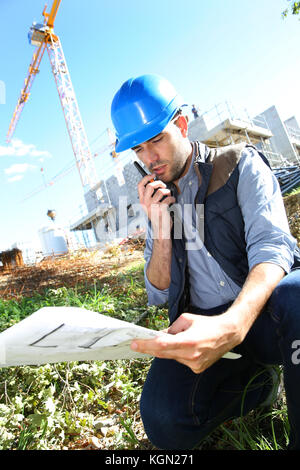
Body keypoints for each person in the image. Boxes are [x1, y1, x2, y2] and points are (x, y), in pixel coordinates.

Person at [110, 74, 300, 450]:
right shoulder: (156, 200)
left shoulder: (238, 164)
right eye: (138, 150)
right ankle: (259, 388)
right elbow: (157, 289)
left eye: (156, 141)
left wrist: (233, 323)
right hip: (201, 325)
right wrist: (161, 230)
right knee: (163, 419)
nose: (150, 159)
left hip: (262, 314)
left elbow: (273, 247)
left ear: (181, 125)